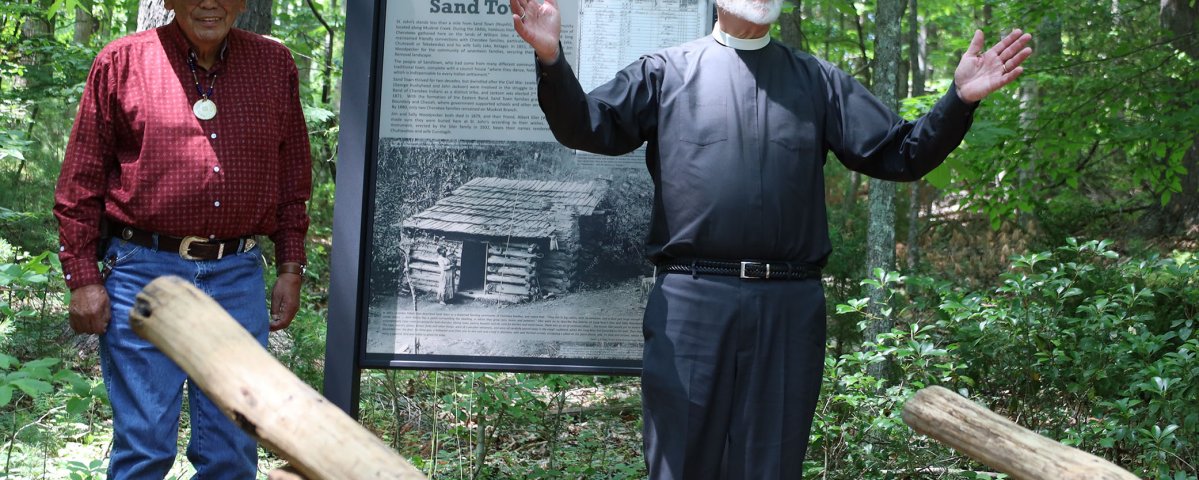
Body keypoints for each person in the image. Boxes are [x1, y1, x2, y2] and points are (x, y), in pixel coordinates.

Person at [509, 0, 1032, 478]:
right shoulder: (664, 72)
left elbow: (903, 151)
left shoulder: (816, 80)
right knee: (680, 463)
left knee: (771, 467)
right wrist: (552, 59)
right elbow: (586, 126)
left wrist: (959, 99)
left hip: (789, 307)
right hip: (692, 304)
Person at [53, 0, 312, 477]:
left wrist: (291, 265)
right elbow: (79, 184)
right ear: (169, 0)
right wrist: (83, 278)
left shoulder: (274, 65)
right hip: (142, 270)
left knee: (232, 450)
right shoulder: (122, 61)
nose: (209, 3)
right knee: (145, 445)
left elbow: (293, 179)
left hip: (238, 275)